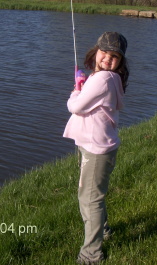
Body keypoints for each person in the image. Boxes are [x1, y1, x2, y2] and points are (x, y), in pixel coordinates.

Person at [63, 31, 129, 264]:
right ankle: (105, 230)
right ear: (96, 50)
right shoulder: (104, 77)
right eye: (104, 52)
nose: (107, 59)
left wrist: (77, 89)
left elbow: (75, 107)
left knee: (90, 199)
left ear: (120, 61)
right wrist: (85, 81)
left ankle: (91, 254)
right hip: (98, 145)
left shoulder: (102, 79)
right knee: (93, 195)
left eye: (114, 56)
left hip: (96, 149)